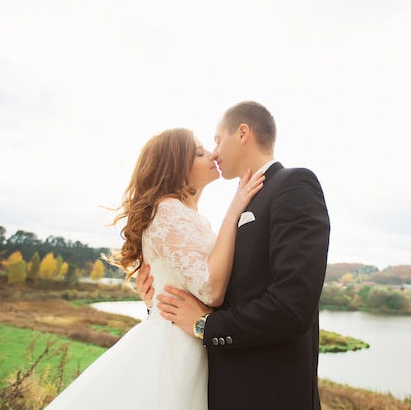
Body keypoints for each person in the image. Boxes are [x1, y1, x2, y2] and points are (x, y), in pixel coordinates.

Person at [44, 128, 264, 410]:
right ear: (176, 168)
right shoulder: (169, 212)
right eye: (199, 153)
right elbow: (211, 291)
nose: (213, 154)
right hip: (172, 349)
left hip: (189, 344)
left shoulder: (188, 216)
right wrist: (234, 211)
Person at [136, 101, 331, 410]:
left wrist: (205, 327)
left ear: (243, 133)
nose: (214, 152)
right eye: (206, 147)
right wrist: (157, 300)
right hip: (220, 389)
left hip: (270, 395)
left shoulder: (293, 185)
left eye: (216, 140)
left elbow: (292, 306)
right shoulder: (242, 202)